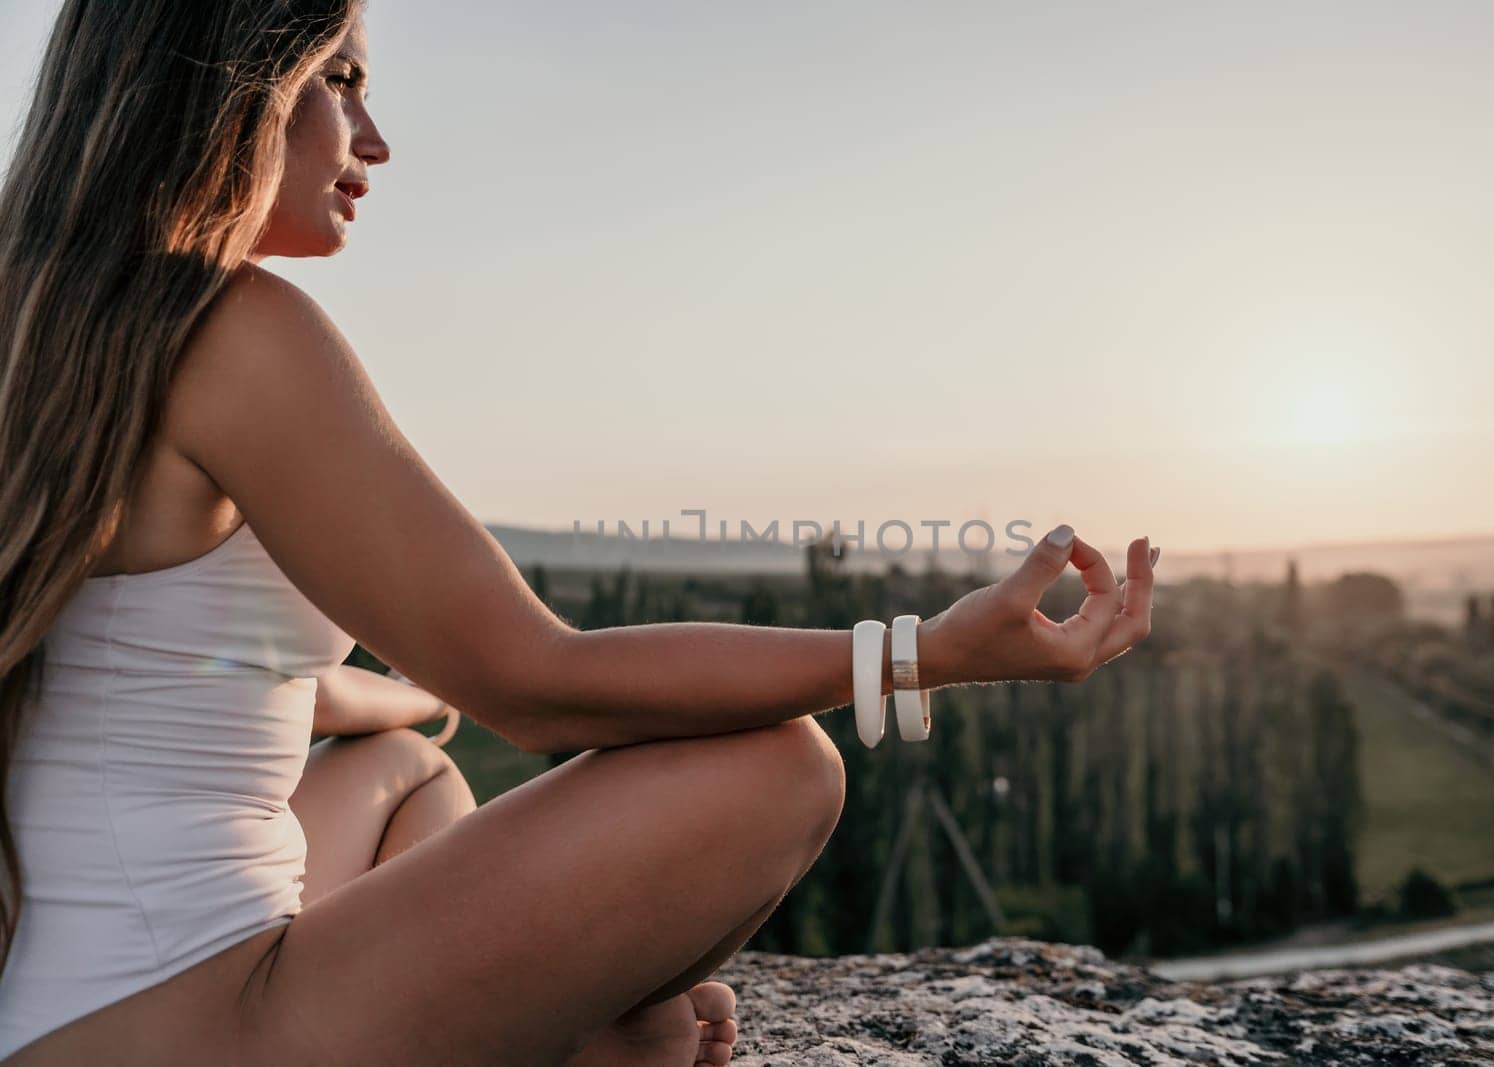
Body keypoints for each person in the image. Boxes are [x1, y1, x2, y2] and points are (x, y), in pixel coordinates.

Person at [0, 2, 1158, 1064]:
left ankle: (562, 1014)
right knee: (776, 767)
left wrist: (407, 696)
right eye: (337, 80)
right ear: (228, 86)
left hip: (52, 1004)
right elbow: (540, 681)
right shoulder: (230, 328)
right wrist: (926, 652)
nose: (373, 139)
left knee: (405, 767)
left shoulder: (51, 318)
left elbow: (154, 671)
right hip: (195, 1023)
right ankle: (584, 1033)